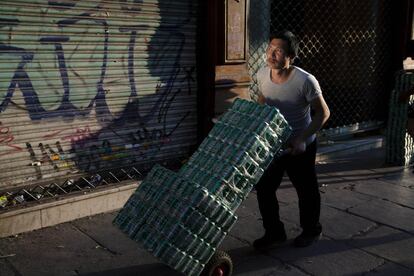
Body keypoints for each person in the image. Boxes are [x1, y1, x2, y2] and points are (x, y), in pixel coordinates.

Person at [253, 30, 330, 249]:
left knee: (306, 190)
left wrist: (303, 139)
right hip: (273, 144)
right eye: (270, 49)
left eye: (279, 51)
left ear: (291, 57)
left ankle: (311, 230)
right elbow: (263, 100)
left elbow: (323, 113)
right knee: (265, 188)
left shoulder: (305, 80)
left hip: (300, 143)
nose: (272, 55)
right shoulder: (261, 74)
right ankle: (274, 233)